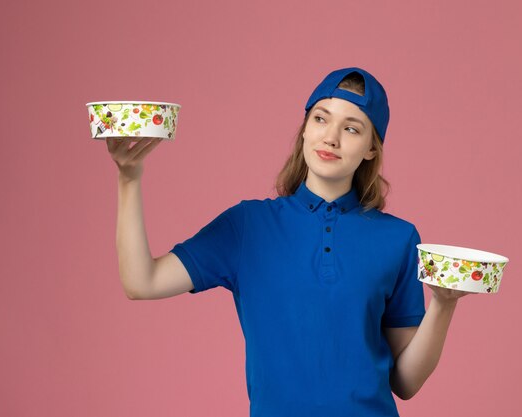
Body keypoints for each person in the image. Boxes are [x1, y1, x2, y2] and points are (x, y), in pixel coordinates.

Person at [106, 67, 470, 417]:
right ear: (305, 129)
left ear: (371, 148)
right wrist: (129, 178)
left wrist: (443, 304)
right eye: (321, 118)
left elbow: (405, 383)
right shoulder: (248, 225)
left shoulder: (399, 238)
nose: (331, 137)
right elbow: (142, 282)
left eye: (352, 128)